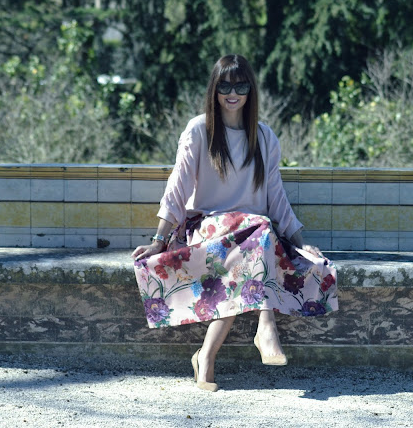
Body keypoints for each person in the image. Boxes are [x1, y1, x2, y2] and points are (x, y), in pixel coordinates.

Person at [132, 54, 338, 392]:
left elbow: (276, 195)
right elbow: (178, 186)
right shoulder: (199, 130)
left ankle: (206, 357)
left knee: (249, 250)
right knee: (258, 236)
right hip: (208, 229)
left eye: (241, 87)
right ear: (214, 89)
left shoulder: (264, 137)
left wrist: (300, 243)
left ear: (250, 91)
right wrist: (158, 239)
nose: (232, 94)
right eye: (225, 86)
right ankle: (265, 325)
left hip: (253, 238)